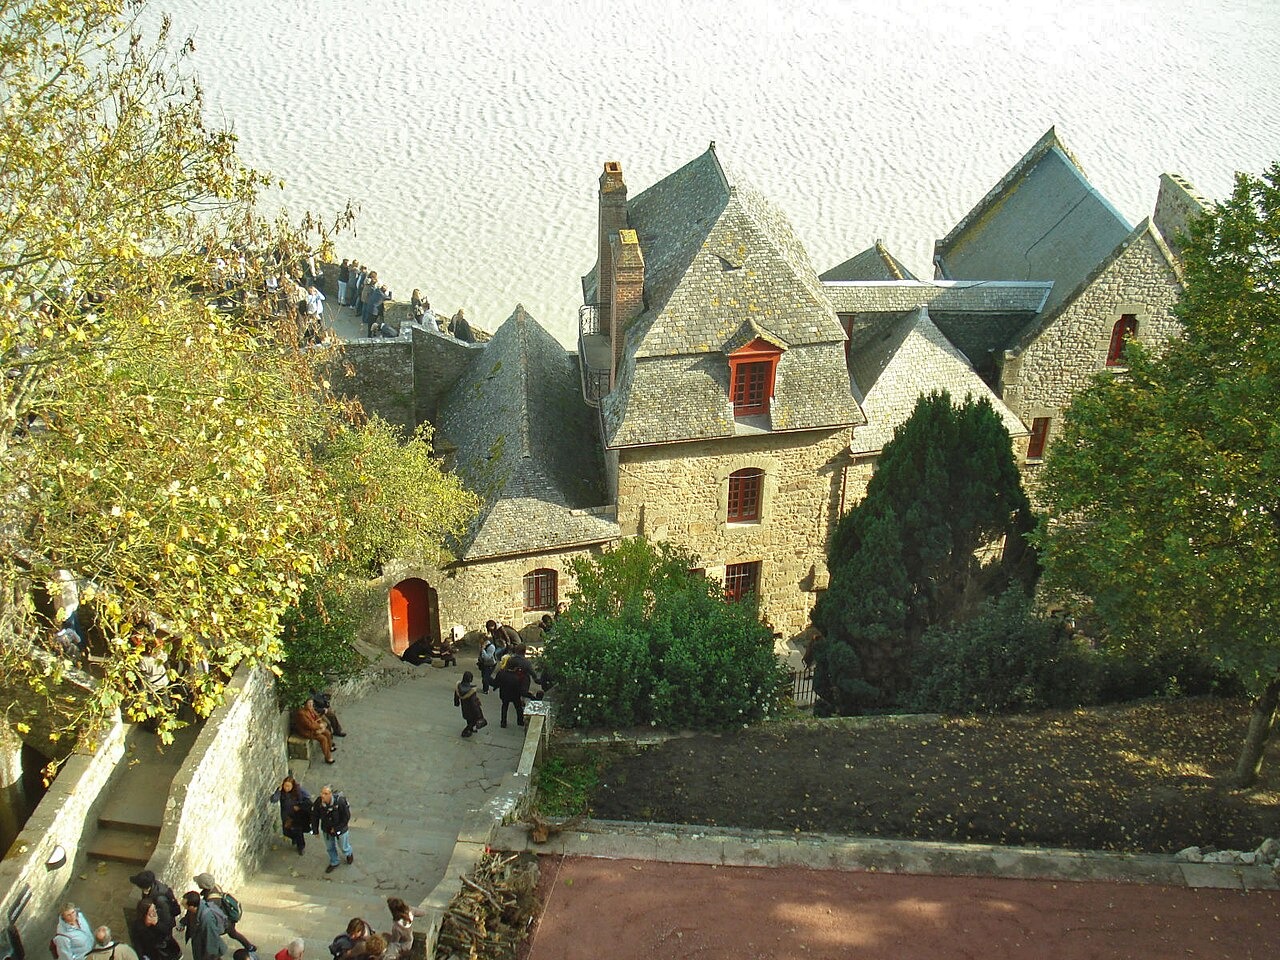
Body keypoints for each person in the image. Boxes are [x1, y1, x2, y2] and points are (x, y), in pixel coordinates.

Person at [193, 874, 254, 952]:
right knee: (233, 934)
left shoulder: (212, 900)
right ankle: (249, 946)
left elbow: (211, 915)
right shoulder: (215, 886)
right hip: (228, 919)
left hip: (223, 923)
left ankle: (215, 953)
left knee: (210, 939)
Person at [311, 784, 354, 874]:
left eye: (325, 793)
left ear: (330, 794)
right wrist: (315, 830)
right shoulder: (319, 802)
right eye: (322, 793)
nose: (323, 795)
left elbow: (346, 817)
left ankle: (348, 853)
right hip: (326, 829)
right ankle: (334, 862)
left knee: (343, 846)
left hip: (340, 829)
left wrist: (337, 828)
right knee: (330, 847)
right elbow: (314, 815)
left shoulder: (340, 802)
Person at [271, 774, 312, 854]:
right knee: (286, 832)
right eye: (285, 786)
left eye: (289, 786)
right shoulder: (281, 792)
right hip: (286, 815)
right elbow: (273, 799)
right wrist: (278, 791)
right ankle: (295, 838)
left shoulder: (298, 790)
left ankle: (301, 847)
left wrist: (299, 806)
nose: (287, 788)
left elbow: (307, 797)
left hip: (296, 815)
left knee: (298, 830)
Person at [180, 892, 225, 960]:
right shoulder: (193, 908)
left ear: (192, 907)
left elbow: (211, 940)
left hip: (208, 950)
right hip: (199, 945)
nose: (183, 906)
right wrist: (182, 923)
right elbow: (188, 917)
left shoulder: (207, 919)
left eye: (185, 905)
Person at [292, 698, 335, 764]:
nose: (311, 704)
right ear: (305, 704)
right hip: (306, 731)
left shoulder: (311, 709)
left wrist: (321, 724)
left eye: (311, 703)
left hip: (315, 727)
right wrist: (320, 727)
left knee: (327, 733)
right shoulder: (301, 713)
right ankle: (328, 757)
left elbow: (317, 716)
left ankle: (330, 747)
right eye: (309, 703)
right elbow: (309, 725)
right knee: (323, 738)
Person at [454, 671, 487, 737]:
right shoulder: (471, 691)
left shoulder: (459, 687)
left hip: (464, 707)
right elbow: (473, 703)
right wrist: (478, 714)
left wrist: (457, 703)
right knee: (473, 721)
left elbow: (456, 696)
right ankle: (465, 732)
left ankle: (471, 730)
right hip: (472, 710)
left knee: (469, 719)